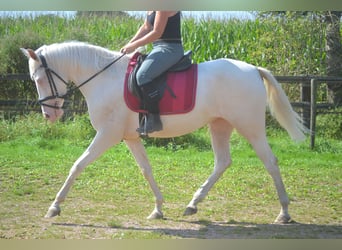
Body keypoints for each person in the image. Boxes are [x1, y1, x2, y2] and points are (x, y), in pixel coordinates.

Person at [121, 11, 184, 135]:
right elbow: (146, 27)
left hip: (170, 49)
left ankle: (154, 118)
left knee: (142, 76)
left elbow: (157, 32)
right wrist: (129, 44)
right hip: (158, 48)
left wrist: (134, 45)